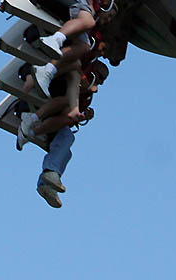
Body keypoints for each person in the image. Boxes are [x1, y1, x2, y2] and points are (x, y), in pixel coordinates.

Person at [20, 60, 111, 208]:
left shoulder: (87, 95)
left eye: (102, 79)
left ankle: (46, 182)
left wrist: (82, 115)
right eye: (99, 76)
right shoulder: (74, 74)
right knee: (67, 135)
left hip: (56, 119)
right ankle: (47, 169)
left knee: (66, 149)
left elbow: (68, 118)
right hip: (40, 107)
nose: (99, 82)